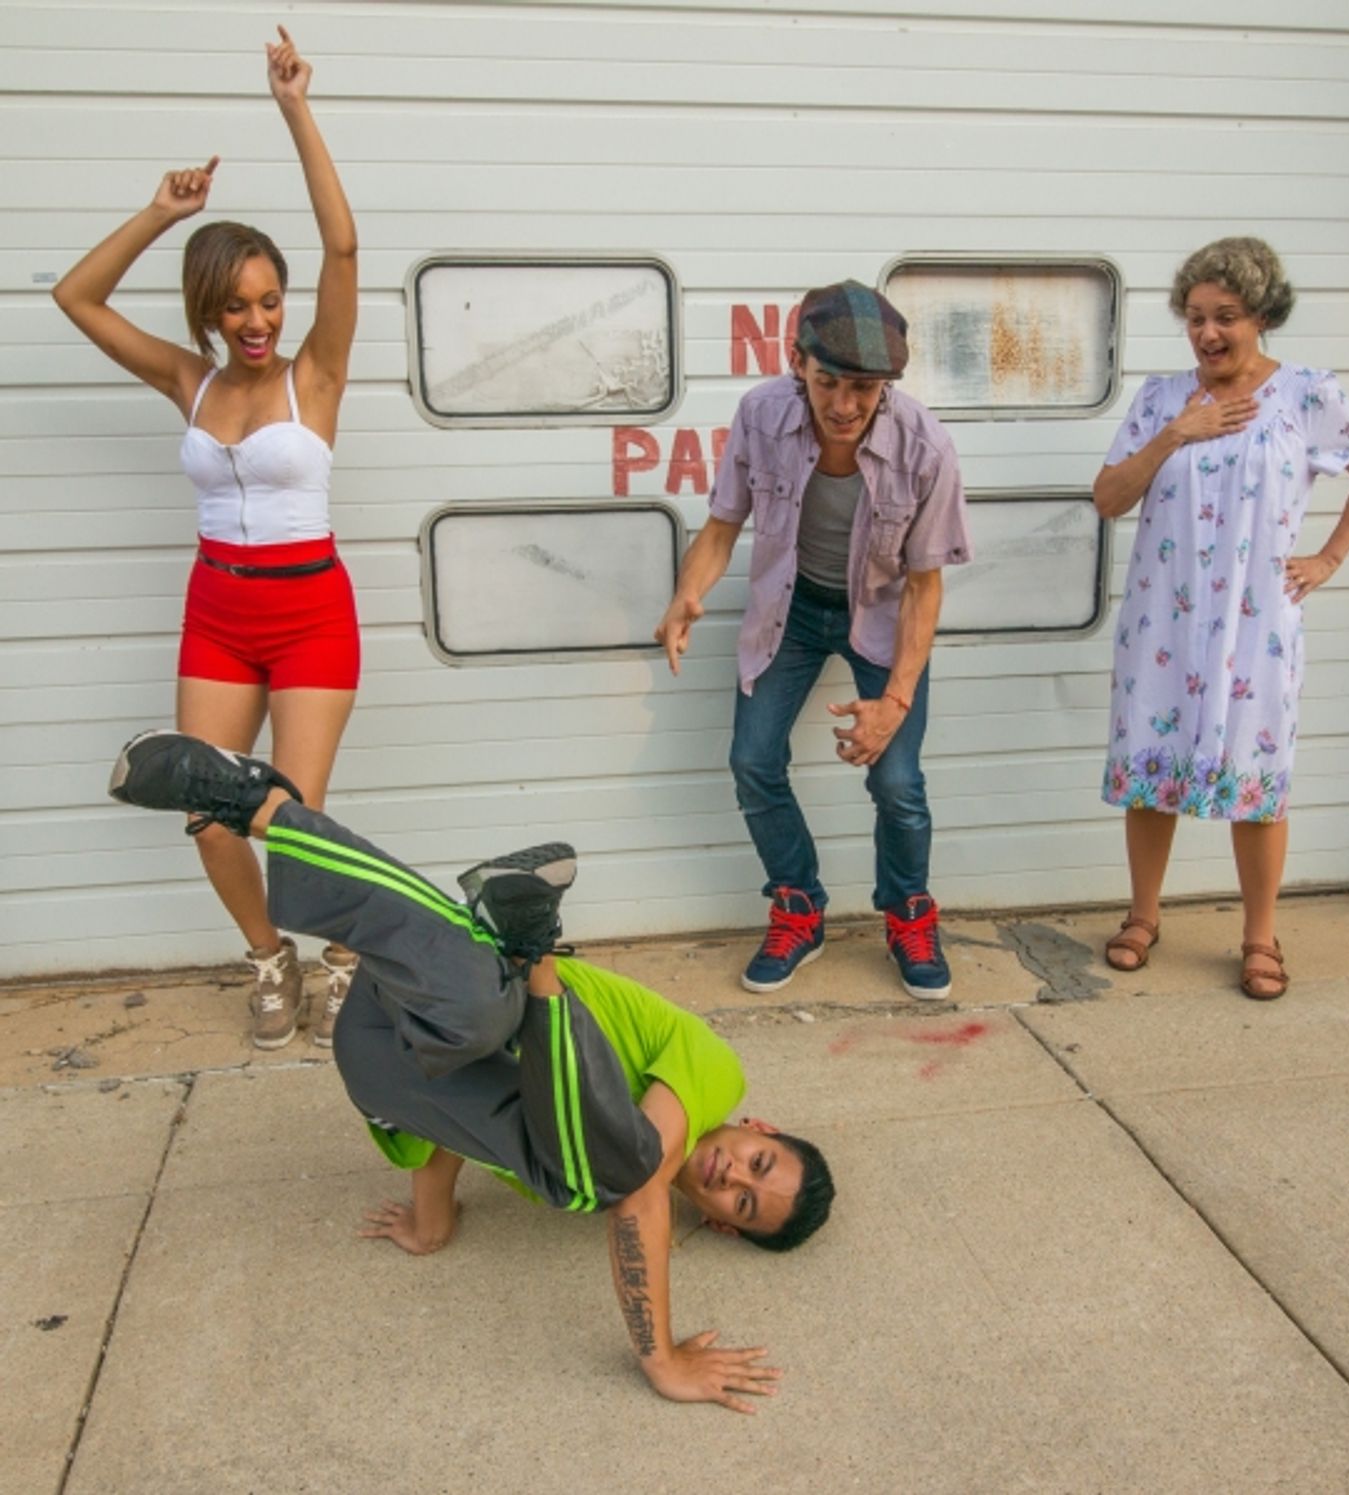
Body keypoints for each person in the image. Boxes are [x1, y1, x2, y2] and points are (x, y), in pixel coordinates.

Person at [107, 728, 836, 1415]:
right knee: (583, 1141)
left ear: (723, 1226)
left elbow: (459, 1124)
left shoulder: (581, 1160)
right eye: (757, 1161)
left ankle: (526, 944)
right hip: (434, 990)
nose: (732, 1176)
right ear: (759, 1126)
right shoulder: (714, 1071)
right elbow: (639, 1190)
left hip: (387, 1062)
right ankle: (255, 803)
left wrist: (431, 1223)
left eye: (743, 1202)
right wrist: (662, 1359)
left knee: (568, 1155)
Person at [53, 29, 361, 1047]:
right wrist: (160, 211)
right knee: (207, 812)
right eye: (237, 306)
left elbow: (343, 249)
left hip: (310, 611)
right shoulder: (188, 381)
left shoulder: (313, 375)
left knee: (293, 817)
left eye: (270, 300)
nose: (258, 319)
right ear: (211, 312)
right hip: (218, 613)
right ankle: (270, 956)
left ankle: (346, 952)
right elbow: (75, 297)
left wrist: (294, 108)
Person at [655, 281, 973, 999]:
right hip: (790, 609)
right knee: (752, 760)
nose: (844, 405)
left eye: (864, 388)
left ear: (887, 384)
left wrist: (895, 700)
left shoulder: (925, 446)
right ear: (795, 360)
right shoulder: (760, 415)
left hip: (883, 617)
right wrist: (685, 595)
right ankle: (798, 905)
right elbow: (722, 526)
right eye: (828, 381)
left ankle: (908, 912)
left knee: (897, 782)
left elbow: (924, 587)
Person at [1094, 236, 1349, 999]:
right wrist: (1176, 434)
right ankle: (1143, 915)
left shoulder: (1306, 394)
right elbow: (1108, 498)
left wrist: (1328, 559)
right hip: (1163, 620)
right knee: (1151, 774)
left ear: (1262, 314)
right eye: (1195, 316)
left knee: (1258, 777)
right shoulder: (1161, 399)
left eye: (1225, 315)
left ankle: (1260, 935)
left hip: (1256, 623)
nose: (1207, 332)